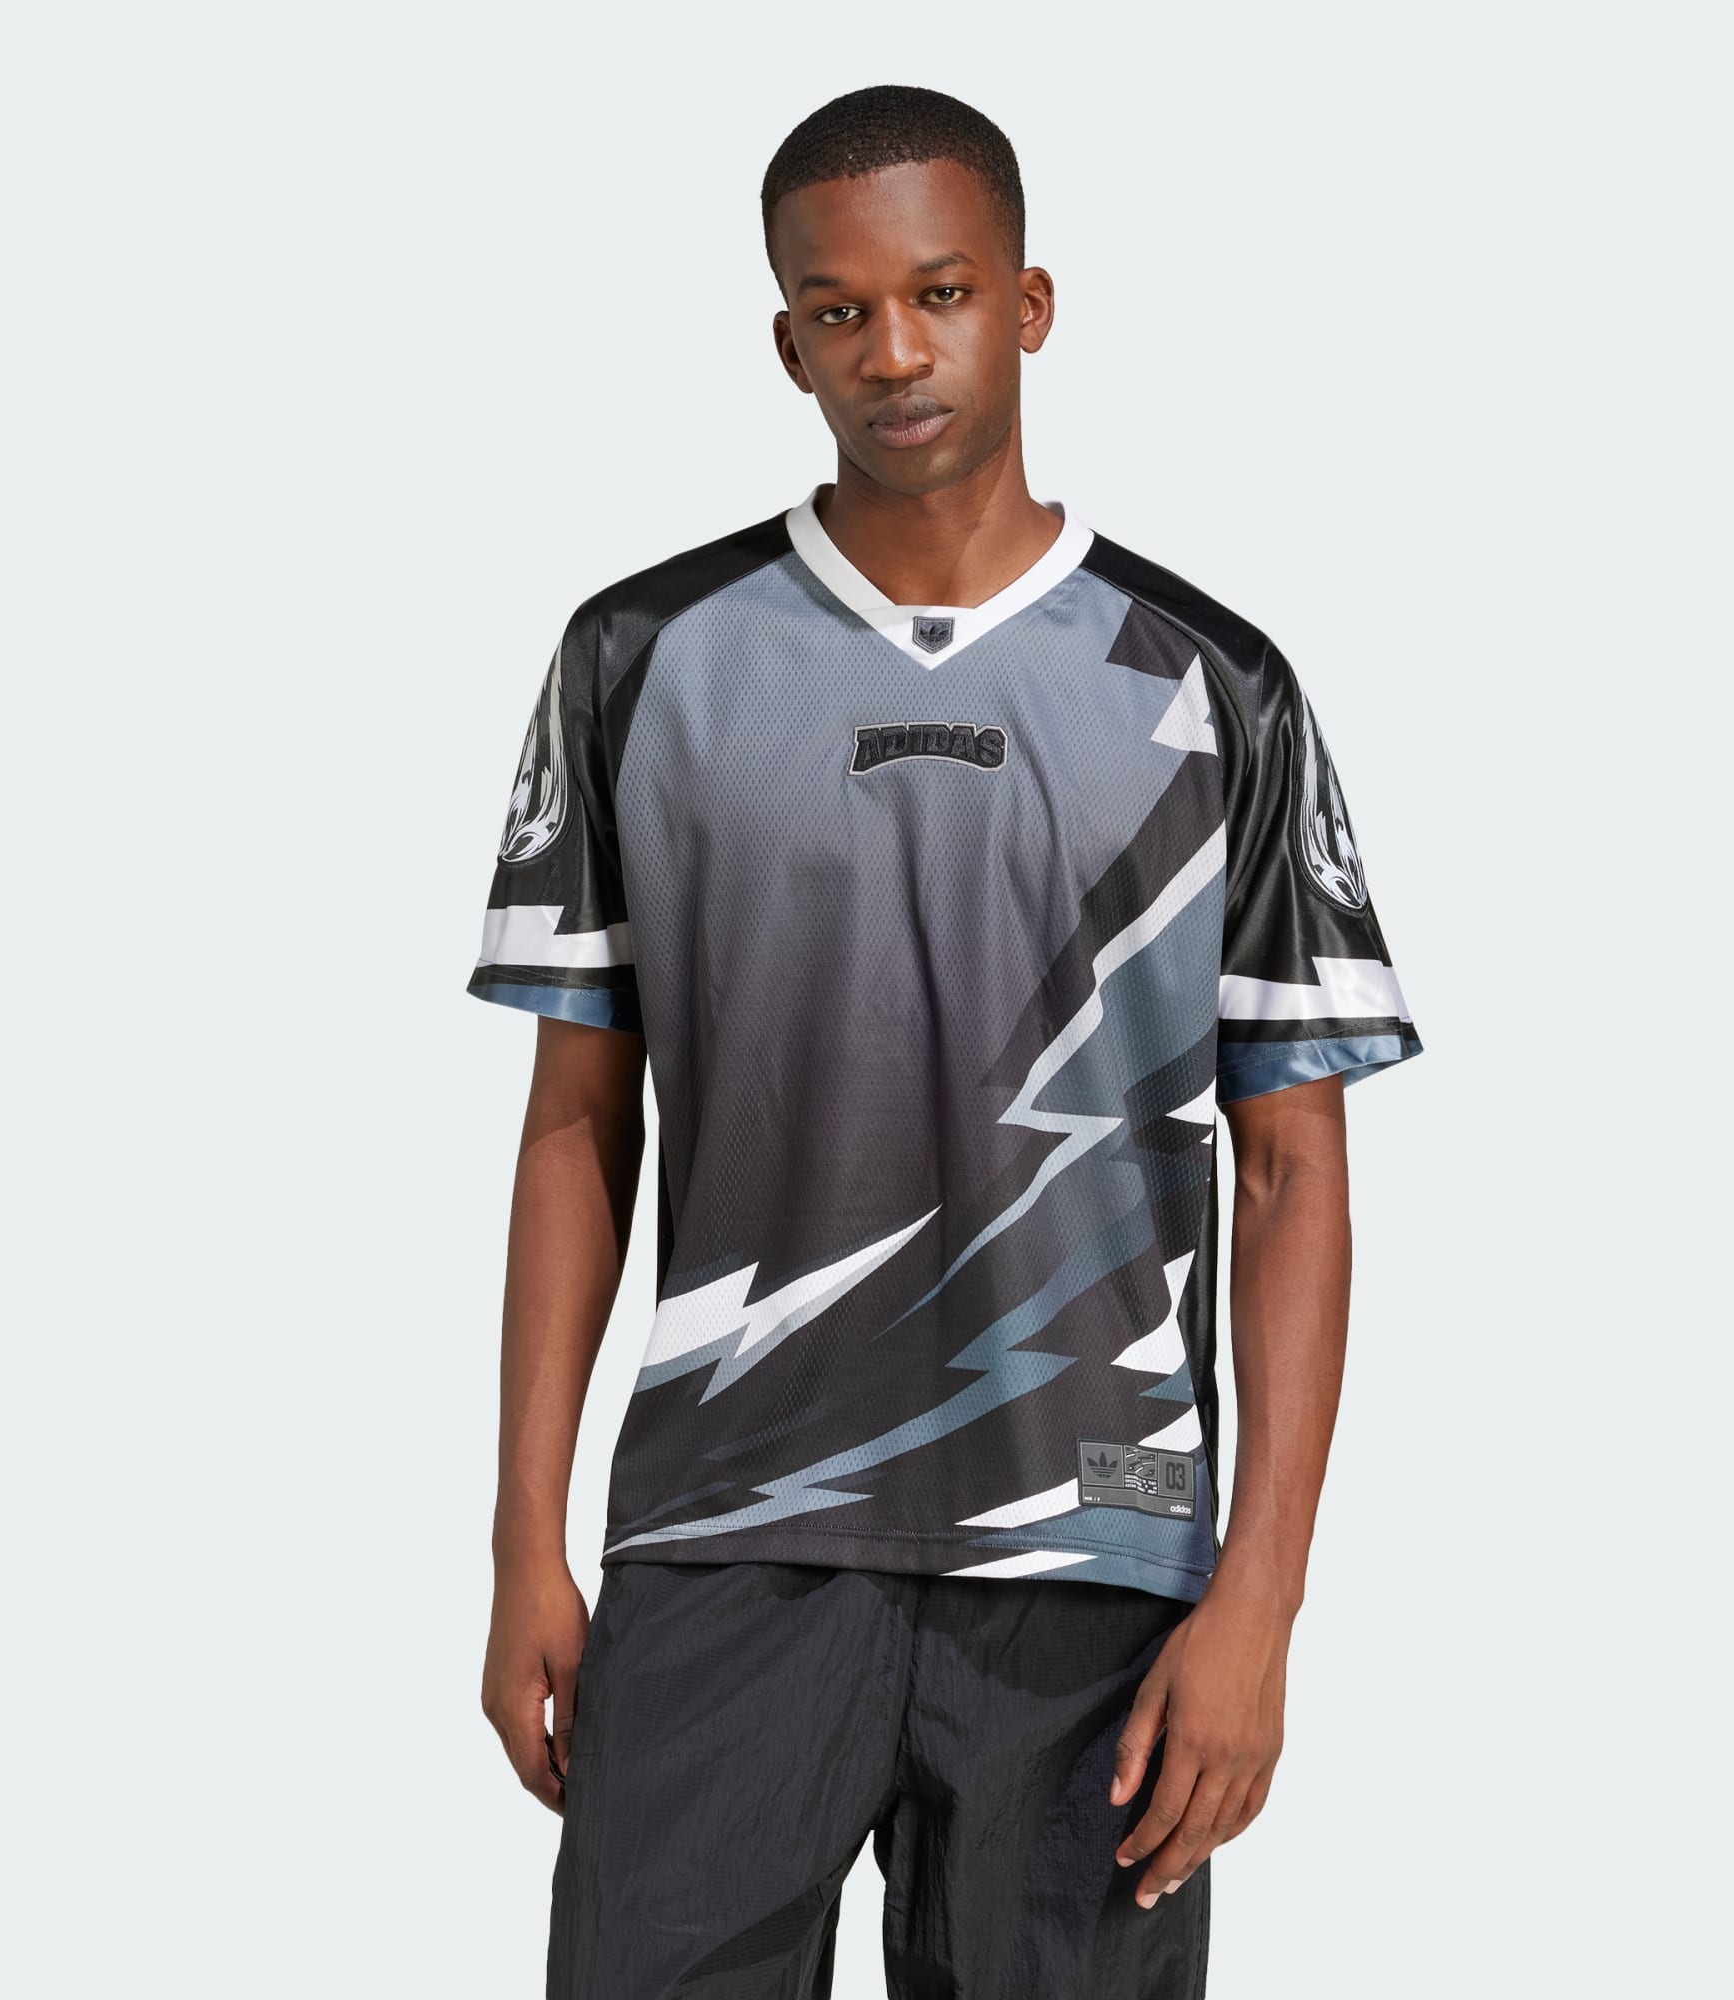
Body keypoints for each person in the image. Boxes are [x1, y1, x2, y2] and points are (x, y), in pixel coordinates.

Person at [471, 83, 1421, 2000]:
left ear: (1030, 304)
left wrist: (1262, 1598)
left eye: (942, 294)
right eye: (839, 311)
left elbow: (1295, 1164)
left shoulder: (1215, 684)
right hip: (727, 1525)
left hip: (1097, 1553)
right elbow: (578, 1124)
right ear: (787, 342)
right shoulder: (640, 659)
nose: (893, 352)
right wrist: (523, 1546)